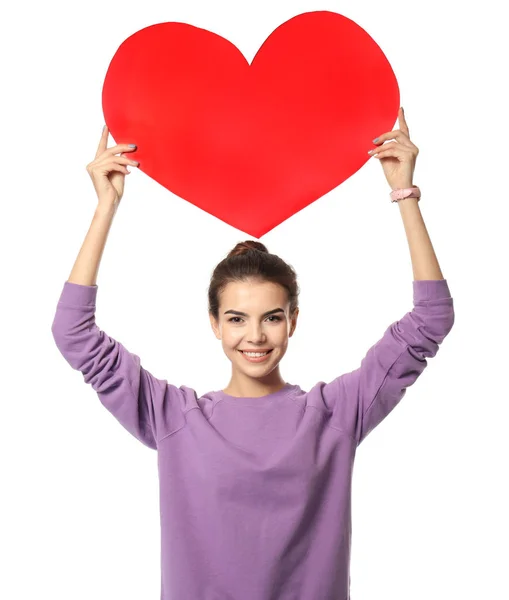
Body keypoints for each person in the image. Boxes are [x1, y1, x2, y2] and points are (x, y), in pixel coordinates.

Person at [51, 110, 455, 600]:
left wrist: (404, 194)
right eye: (238, 319)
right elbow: (73, 332)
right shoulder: (175, 418)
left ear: (293, 321)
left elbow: (431, 319)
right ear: (215, 323)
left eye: (272, 317)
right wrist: (105, 207)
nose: (256, 336)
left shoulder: (333, 414)